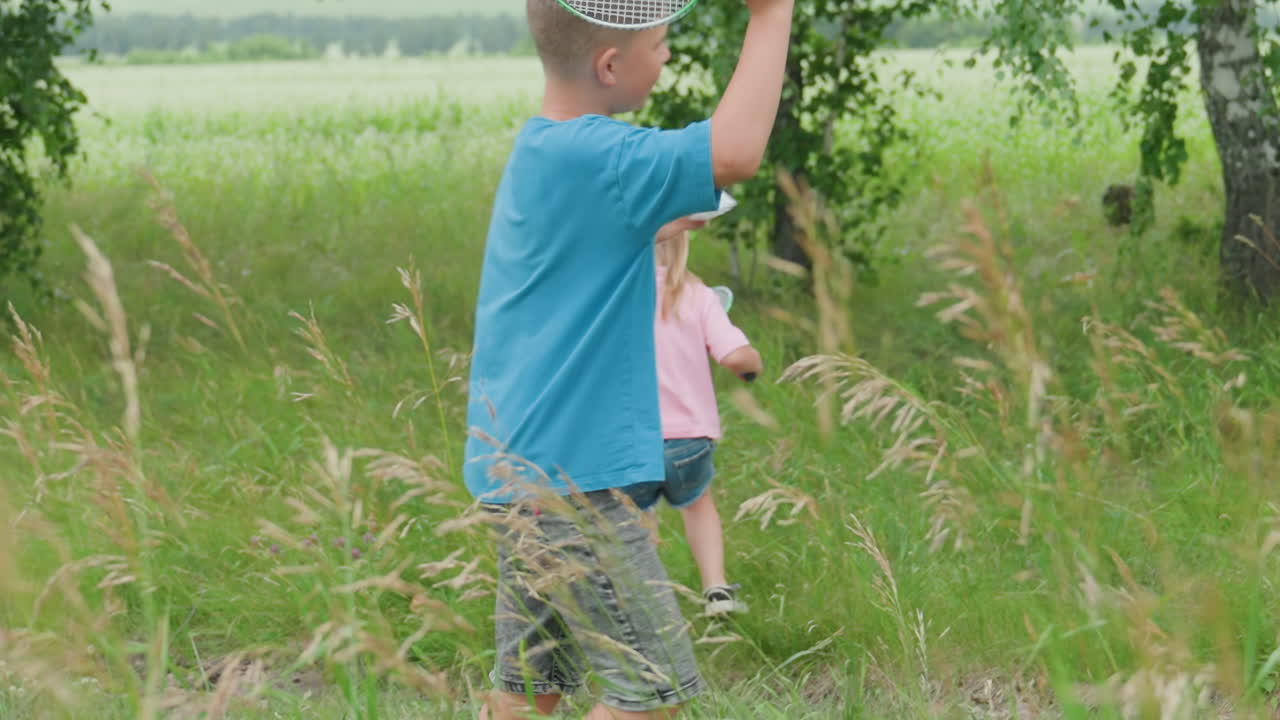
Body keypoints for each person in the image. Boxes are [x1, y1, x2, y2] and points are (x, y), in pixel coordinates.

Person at [464, 0, 794, 717]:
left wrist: (673, 208)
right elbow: (735, 150)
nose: (667, 56)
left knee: (529, 683)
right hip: (581, 484)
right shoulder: (602, 158)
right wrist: (771, 16)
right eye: (660, 44)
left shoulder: (545, 150)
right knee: (652, 690)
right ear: (611, 66)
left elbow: (602, 231)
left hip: (519, 467)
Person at [620, 232, 762, 618]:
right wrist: (752, 365)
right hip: (690, 442)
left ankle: (646, 601)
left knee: (637, 515)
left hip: (630, 439)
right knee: (699, 505)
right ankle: (716, 591)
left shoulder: (614, 297)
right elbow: (735, 356)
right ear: (684, 244)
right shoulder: (698, 296)